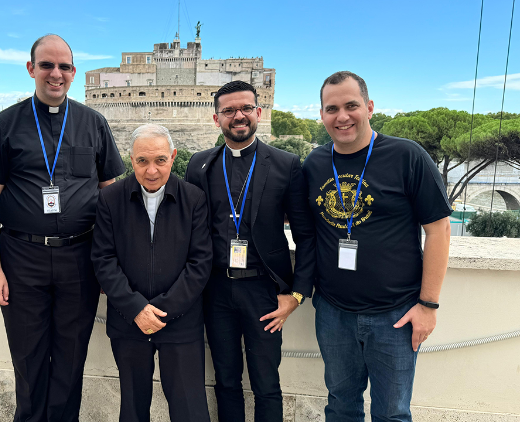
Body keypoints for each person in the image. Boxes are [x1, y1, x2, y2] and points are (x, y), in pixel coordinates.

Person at [0, 34, 125, 421]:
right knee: (27, 357)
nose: (55, 73)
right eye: (46, 65)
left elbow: (110, 194)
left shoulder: (94, 122)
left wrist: (115, 261)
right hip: (20, 258)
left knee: (71, 355)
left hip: (81, 257)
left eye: (64, 66)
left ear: (74, 73)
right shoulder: (5, 124)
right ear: (31, 69)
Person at [303, 71, 451, 421]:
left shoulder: (407, 156)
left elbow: (439, 230)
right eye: (332, 108)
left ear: (369, 107)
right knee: (340, 405)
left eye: (351, 105)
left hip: (395, 316)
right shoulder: (314, 163)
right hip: (333, 312)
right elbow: (306, 230)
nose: (342, 116)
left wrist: (428, 305)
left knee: (392, 413)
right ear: (322, 115)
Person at [184, 80, 316, 422]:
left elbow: (306, 235)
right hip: (214, 290)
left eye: (245, 108)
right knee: (225, 381)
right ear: (217, 119)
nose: (237, 116)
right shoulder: (199, 166)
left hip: (264, 292)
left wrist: (297, 294)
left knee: (266, 383)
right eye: (228, 110)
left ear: (258, 113)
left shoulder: (286, 165)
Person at [91, 124, 212, 422]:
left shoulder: (194, 198)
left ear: (172, 157)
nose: (152, 170)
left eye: (160, 160)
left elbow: (200, 263)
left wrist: (160, 311)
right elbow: (103, 260)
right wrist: (136, 309)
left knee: (189, 409)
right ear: (131, 161)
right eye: (142, 161)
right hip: (128, 322)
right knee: (132, 409)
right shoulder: (110, 199)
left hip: (181, 323)